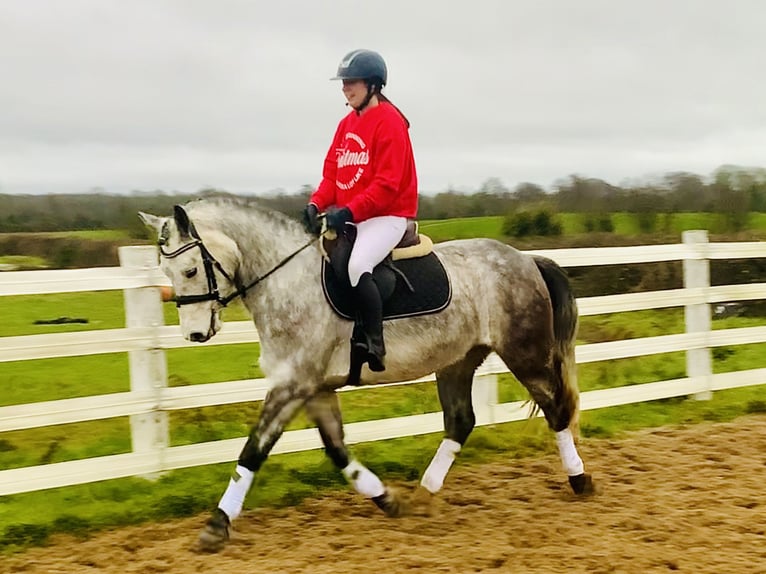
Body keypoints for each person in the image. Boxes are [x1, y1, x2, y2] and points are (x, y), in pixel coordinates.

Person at [303, 48, 418, 372]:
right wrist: (316, 203)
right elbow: (332, 176)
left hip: (388, 217)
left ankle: (374, 343)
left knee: (357, 266)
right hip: (356, 216)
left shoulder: (390, 122)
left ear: (372, 84)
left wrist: (347, 212)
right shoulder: (344, 126)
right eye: (344, 82)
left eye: (351, 82)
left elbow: (386, 185)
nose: (345, 88)